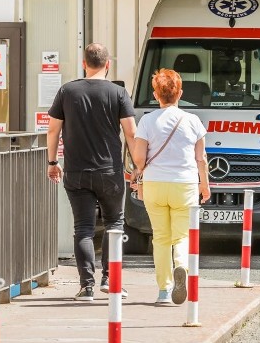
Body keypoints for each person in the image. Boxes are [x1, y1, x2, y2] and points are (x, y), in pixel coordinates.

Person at [46, 43, 137, 302]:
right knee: (114, 224)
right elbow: (131, 132)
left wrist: (52, 162)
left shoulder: (67, 91)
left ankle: (86, 287)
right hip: (110, 171)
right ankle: (111, 280)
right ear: (108, 65)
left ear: (84, 63)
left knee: (83, 228)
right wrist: (137, 166)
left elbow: (53, 130)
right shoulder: (118, 92)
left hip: (76, 171)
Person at [131, 68, 211, 305]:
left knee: (161, 238)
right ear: (180, 94)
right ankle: (182, 267)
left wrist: (141, 172)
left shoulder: (146, 120)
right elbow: (201, 158)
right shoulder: (193, 121)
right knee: (182, 235)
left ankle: (164, 291)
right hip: (184, 185)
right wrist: (204, 186)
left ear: (156, 95)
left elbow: (138, 158)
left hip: (155, 184)